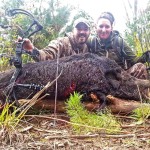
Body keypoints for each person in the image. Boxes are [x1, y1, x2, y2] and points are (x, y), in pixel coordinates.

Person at [87, 12, 150, 79]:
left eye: (107, 27)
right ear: (96, 27)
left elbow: (134, 60)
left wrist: (146, 56)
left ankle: (141, 88)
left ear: (111, 28)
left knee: (140, 67)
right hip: (98, 79)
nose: (103, 30)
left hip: (120, 78)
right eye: (101, 26)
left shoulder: (119, 42)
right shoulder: (91, 41)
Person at [21, 17, 90, 61]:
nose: (82, 32)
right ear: (73, 31)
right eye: (79, 29)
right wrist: (33, 50)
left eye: (85, 29)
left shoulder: (88, 48)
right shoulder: (62, 43)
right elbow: (48, 54)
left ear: (89, 32)